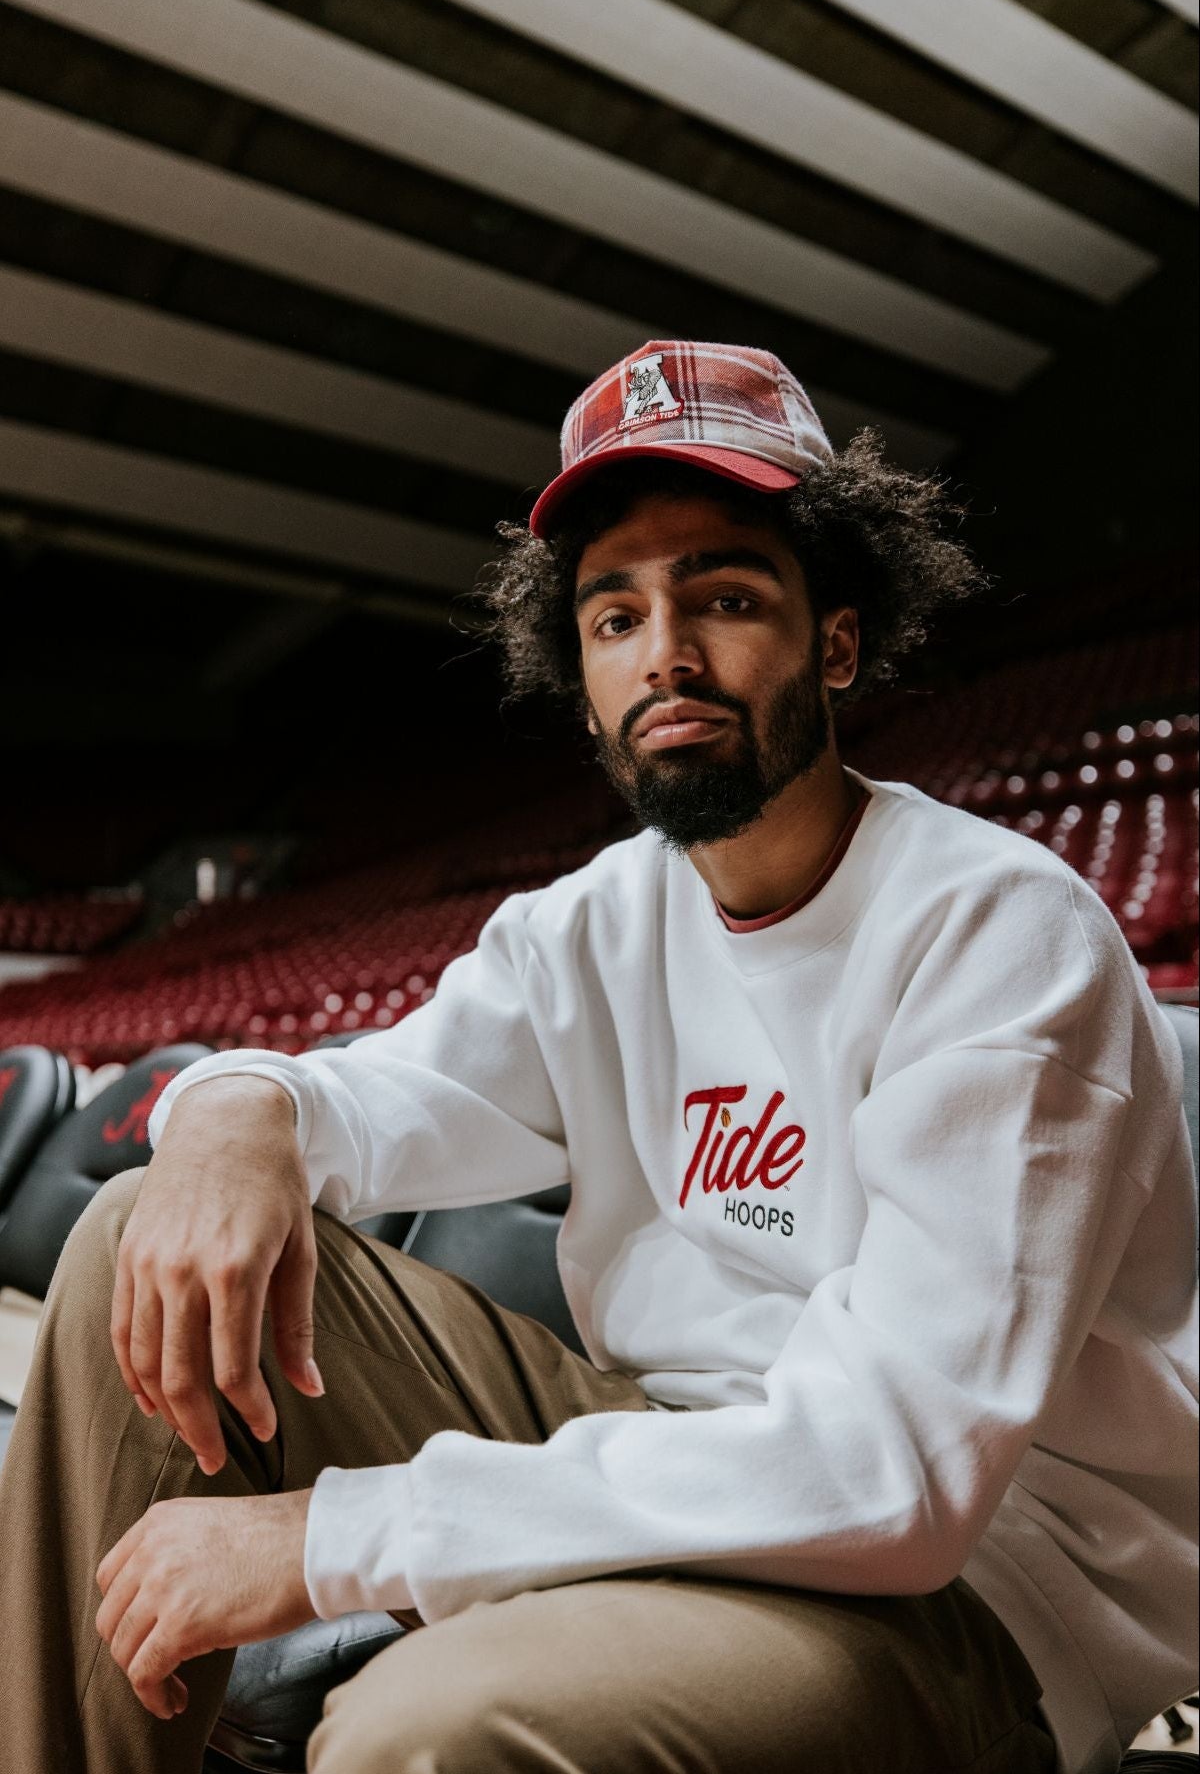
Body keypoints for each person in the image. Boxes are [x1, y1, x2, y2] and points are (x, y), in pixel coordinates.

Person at [0, 341, 1194, 1774]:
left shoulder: (1002, 935)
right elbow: (383, 1095)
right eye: (614, 615)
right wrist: (238, 1106)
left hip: (978, 1586)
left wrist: (341, 1538)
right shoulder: (598, 919)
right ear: (580, 681)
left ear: (837, 640)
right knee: (148, 1226)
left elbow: (901, 1477)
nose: (666, 654)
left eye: (727, 597)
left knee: (420, 1733)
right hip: (670, 1446)